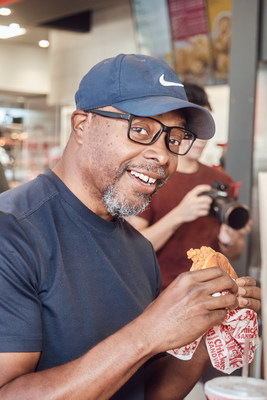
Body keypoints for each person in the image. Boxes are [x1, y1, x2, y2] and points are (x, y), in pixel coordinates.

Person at [0, 54, 260, 400]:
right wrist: (148, 332)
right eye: (140, 129)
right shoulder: (12, 232)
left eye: (174, 138)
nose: (163, 155)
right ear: (82, 125)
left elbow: (145, 390)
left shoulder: (138, 249)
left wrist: (208, 325)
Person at [128, 82, 251, 292]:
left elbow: (236, 252)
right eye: (192, 129)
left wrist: (230, 241)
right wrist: (181, 214)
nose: (202, 137)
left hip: (210, 297)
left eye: (205, 127)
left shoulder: (222, 179)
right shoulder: (149, 175)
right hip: (157, 298)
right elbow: (132, 249)